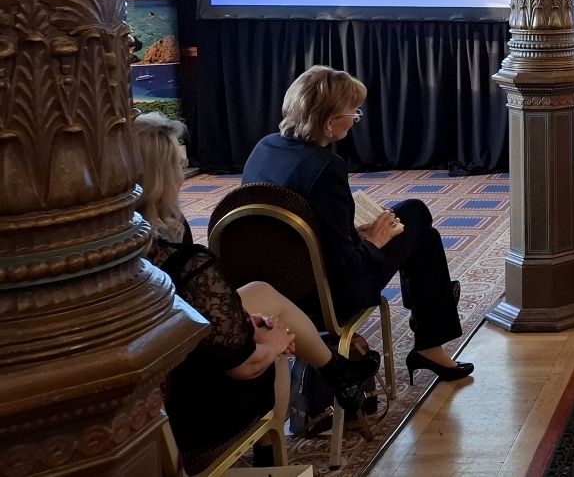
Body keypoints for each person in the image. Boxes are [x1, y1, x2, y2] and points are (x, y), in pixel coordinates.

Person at [134, 113, 378, 461]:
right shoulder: (187, 262)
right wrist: (273, 342)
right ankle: (271, 455)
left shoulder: (122, 241)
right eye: (178, 163)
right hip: (184, 410)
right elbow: (244, 365)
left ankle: (339, 373)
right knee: (275, 342)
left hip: (153, 375)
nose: (183, 171)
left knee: (261, 293)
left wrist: (246, 325)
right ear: (162, 176)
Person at [241, 66, 474, 385]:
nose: (354, 120)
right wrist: (372, 241)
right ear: (329, 122)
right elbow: (347, 267)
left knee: (420, 233)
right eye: (353, 112)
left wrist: (353, 234)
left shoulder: (264, 147)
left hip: (274, 285)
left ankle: (434, 325)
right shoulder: (326, 168)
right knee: (417, 217)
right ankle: (433, 330)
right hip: (328, 293)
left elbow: (301, 231)